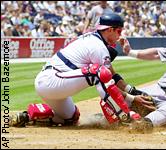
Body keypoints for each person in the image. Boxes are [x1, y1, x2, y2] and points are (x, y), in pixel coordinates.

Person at [9, 13, 154, 130]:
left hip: (55, 85)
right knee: (98, 73)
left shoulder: (95, 40)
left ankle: (27, 116)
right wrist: (132, 99)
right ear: (109, 29)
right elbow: (106, 77)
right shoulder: (98, 46)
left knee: (71, 118)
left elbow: (113, 75)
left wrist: (131, 91)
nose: (120, 35)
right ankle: (125, 117)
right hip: (52, 80)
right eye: (118, 31)